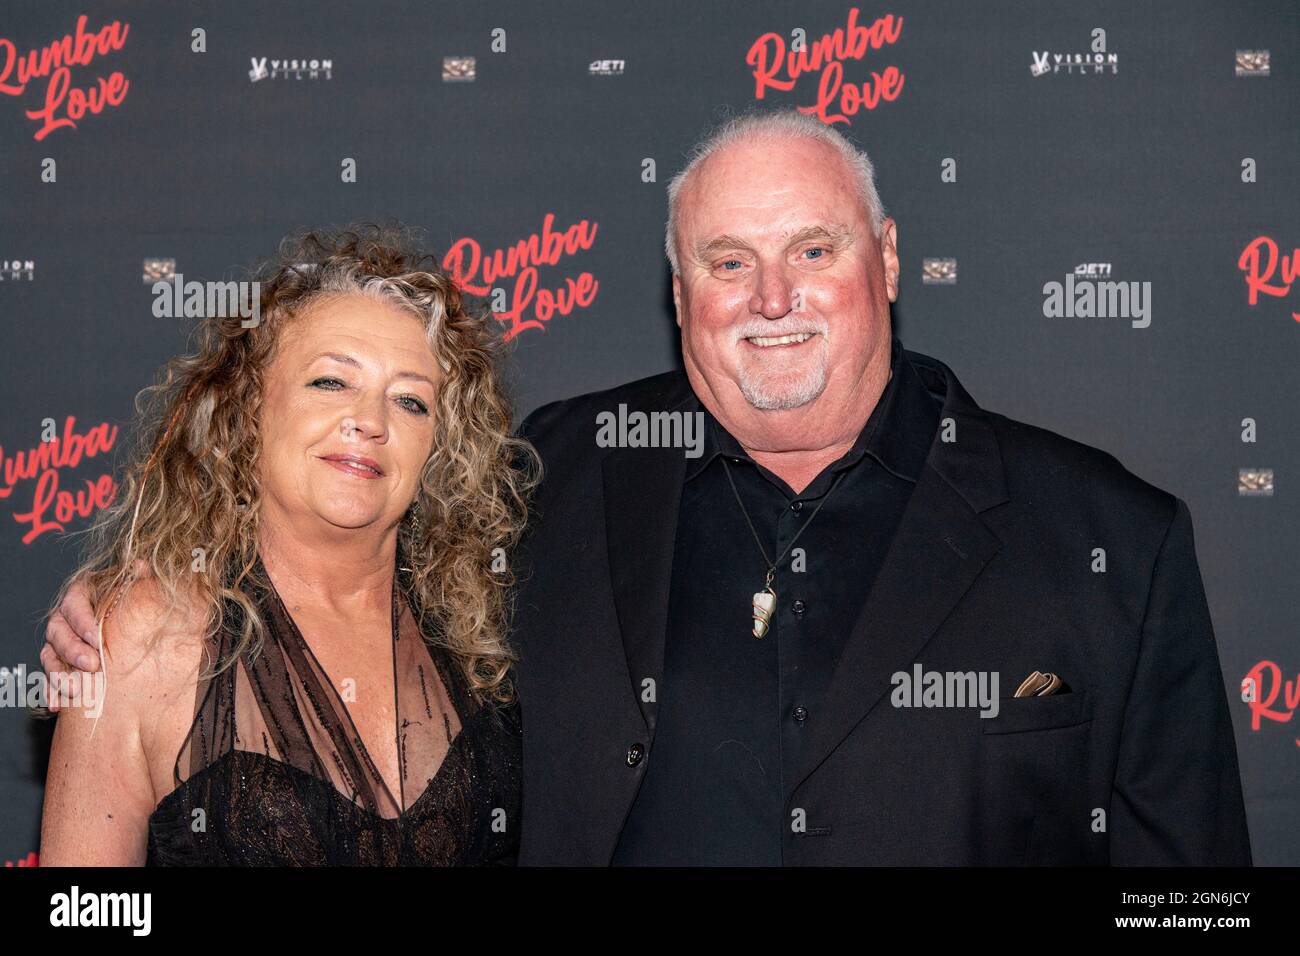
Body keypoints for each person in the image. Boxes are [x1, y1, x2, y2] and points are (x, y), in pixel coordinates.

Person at [47, 109, 1252, 866]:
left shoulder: (1110, 541)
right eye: (728, 262)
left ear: (886, 262)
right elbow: (326, 549)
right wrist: (131, 610)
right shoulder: (549, 480)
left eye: (812, 251)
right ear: (680, 296)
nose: (769, 298)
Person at [38, 225, 538, 865]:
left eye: (411, 400)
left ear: (441, 448)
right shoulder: (143, 637)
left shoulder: (488, 631)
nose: (371, 420)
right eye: (331, 382)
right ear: (249, 409)